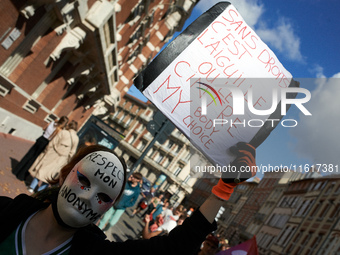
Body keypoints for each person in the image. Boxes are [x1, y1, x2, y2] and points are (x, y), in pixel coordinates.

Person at [0, 142, 256, 254]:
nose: (88, 197)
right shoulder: (5, 212)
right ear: (65, 174)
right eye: (85, 180)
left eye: (103, 195)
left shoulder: (95, 252)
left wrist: (224, 188)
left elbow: (174, 249)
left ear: (110, 206)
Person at [27, 120, 79, 192]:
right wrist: (67, 161)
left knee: (42, 170)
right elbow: (72, 152)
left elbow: (53, 142)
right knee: (51, 175)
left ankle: (32, 187)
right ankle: (40, 191)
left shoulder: (63, 132)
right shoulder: (76, 138)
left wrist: (46, 151)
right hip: (62, 159)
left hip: (52, 153)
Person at [12, 116, 69, 181]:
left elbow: (43, 128)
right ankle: (21, 175)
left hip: (41, 138)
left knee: (29, 155)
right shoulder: (60, 131)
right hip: (46, 143)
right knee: (34, 159)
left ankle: (16, 170)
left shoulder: (52, 122)